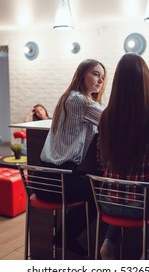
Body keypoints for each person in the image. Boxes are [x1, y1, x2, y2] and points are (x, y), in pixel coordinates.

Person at [97, 53, 149, 260]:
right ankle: (147, 255)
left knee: (127, 193)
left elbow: (101, 160)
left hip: (107, 202)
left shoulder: (106, 116)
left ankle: (108, 242)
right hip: (141, 205)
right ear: (146, 80)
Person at [39, 59, 107, 256]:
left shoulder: (69, 97)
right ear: (81, 74)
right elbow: (112, 121)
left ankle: (65, 237)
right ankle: (65, 237)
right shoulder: (80, 100)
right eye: (95, 74)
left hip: (45, 179)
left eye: (102, 77)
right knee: (101, 191)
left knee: (93, 186)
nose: (100, 80)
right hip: (58, 180)